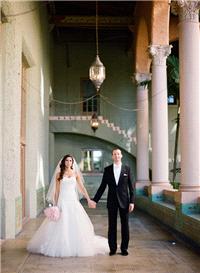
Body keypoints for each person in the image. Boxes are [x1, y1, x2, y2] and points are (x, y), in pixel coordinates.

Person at [27, 154, 109, 257]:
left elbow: (82, 188)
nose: (68, 162)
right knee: (61, 223)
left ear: (72, 163)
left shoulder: (75, 174)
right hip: (63, 201)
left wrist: (88, 199)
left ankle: (75, 245)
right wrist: (55, 205)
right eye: (67, 161)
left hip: (73, 201)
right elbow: (56, 191)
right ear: (63, 162)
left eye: (70, 161)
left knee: (76, 222)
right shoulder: (59, 174)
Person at [91, 148, 135, 256]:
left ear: (121, 156)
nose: (116, 156)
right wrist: (95, 200)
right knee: (112, 226)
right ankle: (113, 249)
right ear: (112, 156)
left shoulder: (127, 169)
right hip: (111, 201)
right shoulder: (107, 170)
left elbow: (131, 187)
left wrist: (132, 202)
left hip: (125, 201)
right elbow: (102, 186)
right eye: (114, 154)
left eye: (118, 154)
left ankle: (124, 248)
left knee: (125, 226)